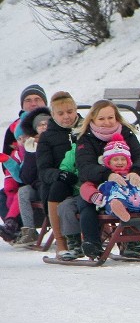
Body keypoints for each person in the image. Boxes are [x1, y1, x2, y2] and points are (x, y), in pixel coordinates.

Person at [75, 99, 140, 259]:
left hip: (127, 180)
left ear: (116, 117)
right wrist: (106, 174)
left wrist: (137, 171)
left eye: (110, 118)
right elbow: (84, 166)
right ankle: (92, 243)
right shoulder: (86, 138)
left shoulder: (126, 133)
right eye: (101, 119)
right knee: (86, 203)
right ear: (93, 120)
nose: (107, 122)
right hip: (98, 184)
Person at [36, 91, 88, 260]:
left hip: (86, 176)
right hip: (58, 184)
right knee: (59, 186)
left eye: (70, 112)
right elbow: (43, 170)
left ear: (76, 110)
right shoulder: (47, 137)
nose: (66, 117)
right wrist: (60, 174)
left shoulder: (87, 128)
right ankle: (61, 242)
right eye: (61, 113)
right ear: (53, 115)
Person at [2, 85, 48, 221]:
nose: (33, 103)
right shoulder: (15, 128)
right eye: (28, 100)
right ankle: (13, 228)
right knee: (4, 196)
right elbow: (7, 154)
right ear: (22, 105)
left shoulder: (51, 122)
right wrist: (12, 178)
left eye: (37, 99)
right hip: (21, 175)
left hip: (42, 176)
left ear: (45, 102)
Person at [8, 107, 51, 246]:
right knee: (23, 191)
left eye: (46, 124)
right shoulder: (30, 146)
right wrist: (31, 153)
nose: (44, 127)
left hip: (51, 184)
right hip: (37, 185)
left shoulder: (57, 141)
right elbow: (26, 177)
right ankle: (29, 230)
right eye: (40, 125)